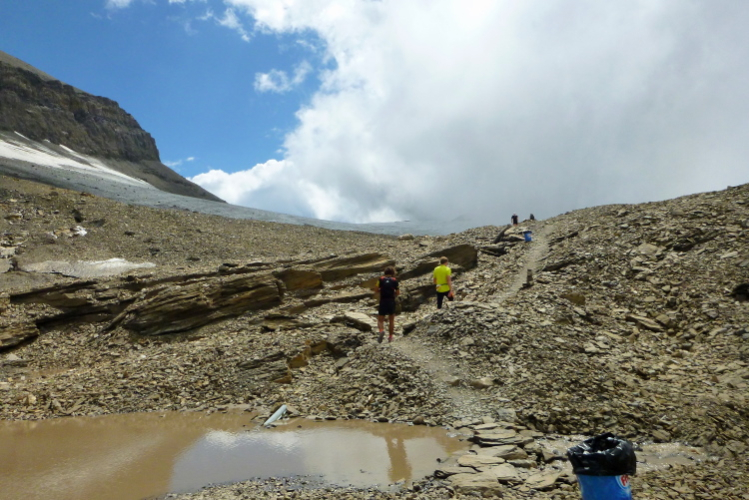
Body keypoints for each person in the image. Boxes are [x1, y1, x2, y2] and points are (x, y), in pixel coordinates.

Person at [375, 266, 400, 343]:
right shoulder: (394, 280)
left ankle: (381, 330)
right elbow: (398, 292)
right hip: (391, 301)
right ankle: (390, 337)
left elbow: (376, 289)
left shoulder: (380, 279)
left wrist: (380, 290)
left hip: (383, 301)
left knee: (380, 319)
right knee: (391, 320)